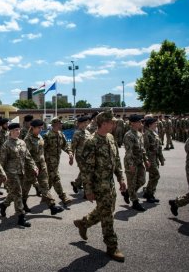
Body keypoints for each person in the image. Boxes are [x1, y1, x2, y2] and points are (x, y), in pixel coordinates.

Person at [73, 109, 127, 263]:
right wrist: (88, 190)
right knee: (108, 216)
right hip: (98, 185)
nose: (114, 124)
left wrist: (121, 178)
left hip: (109, 183)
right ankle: (112, 246)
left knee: (107, 210)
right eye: (112, 122)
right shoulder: (91, 142)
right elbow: (86, 169)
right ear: (103, 123)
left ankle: (83, 223)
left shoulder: (110, 138)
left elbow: (116, 160)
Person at [0, 123, 38, 227]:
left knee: (14, 192)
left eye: (19, 130)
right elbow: (2, 161)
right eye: (16, 130)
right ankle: (21, 217)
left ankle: (3, 204)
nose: (18, 132)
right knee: (18, 193)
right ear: (10, 131)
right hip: (11, 173)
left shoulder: (22, 142)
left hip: (21, 172)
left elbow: (28, 156)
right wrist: (0, 175)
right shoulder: (6, 145)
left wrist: (34, 166)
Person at [23, 119, 64, 215]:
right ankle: (23, 203)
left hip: (42, 166)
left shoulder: (40, 137)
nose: (41, 129)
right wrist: (33, 166)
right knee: (26, 188)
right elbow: (26, 155)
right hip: (31, 168)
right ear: (32, 128)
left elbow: (43, 151)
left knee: (45, 186)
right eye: (39, 128)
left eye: (41, 127)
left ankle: (52, 207)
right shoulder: (28, 139)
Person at [43, 117, 74, 206]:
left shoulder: (61, 134)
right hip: (48, 162)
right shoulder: (47, 135)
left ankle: (45, 195)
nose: (61, 125)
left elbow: (65, 145)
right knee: (56, 178)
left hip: (56, 161)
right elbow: (42, 149)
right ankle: (63, 197)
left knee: (50, 179)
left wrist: (70, 153)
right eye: (59, 123)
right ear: (55, 124)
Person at [123, 114, 149, 211]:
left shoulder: (139, 134)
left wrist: (145, 159)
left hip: (139, 161)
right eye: (139, 122)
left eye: (141, 122)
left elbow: (142, 149)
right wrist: (131, 164)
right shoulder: (128, 135)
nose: (141, 123)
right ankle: (135, 202)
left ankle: (128, 192)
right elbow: (129, 151)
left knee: (142, 180)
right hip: (131, 161)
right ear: (133, 123)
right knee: (132, 183)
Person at [143, 117, 165, 203]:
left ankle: (149, 193)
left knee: (153, 176)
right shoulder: (147, 134)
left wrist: (161, 159)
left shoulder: (154, 133)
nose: (156, 124)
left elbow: (159, 148)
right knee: (156, 175)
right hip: (150, 158)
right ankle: (149, 194)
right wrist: (146, 160)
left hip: (155, 158)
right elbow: (144, 149)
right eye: (155, 123)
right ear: (150, 124)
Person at [70, 115, 92, 194]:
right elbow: (72, 146)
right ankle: (87, 192)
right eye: (84, 123)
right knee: (85, 173)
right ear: (79, 123)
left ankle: (76, 184)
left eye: (86, 123)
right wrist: (71, 157)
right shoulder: (77, 133)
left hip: (88, 156)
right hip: (80, 156)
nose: (86, 124)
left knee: (84, 172)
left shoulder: (87, 132)